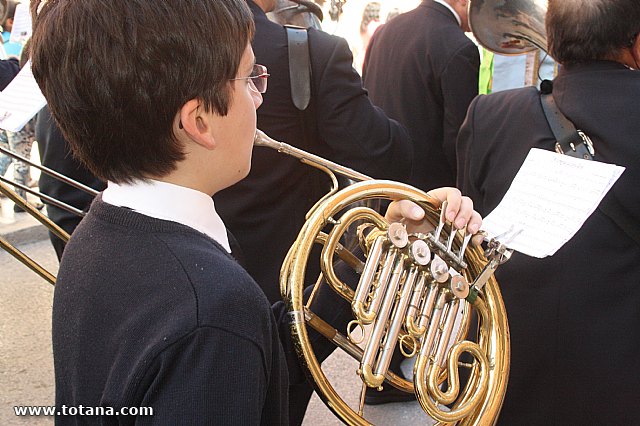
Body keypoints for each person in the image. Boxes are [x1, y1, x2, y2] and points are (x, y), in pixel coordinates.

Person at [30, 0, 481, 423]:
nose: (260, 98)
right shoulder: (212, 306)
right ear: (199, 122)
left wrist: (372, 257)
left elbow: (259, 368)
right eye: (250, 79)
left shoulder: (95, 234)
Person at [456, 0, 640, 424]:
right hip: (622, 388)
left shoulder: (488, 115)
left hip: (505, 383)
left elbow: (469, 245)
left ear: (552, 40)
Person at [215, 0, 412, 305]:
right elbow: (383, 153)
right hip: (286, 281)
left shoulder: (160, 42)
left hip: (192, 269)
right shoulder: (312, 52)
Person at [362, 0, 479, 192]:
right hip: (424, 195)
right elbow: (459, 139)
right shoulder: (459, 46)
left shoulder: (384, 31)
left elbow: (366, 99)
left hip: (377, 184)